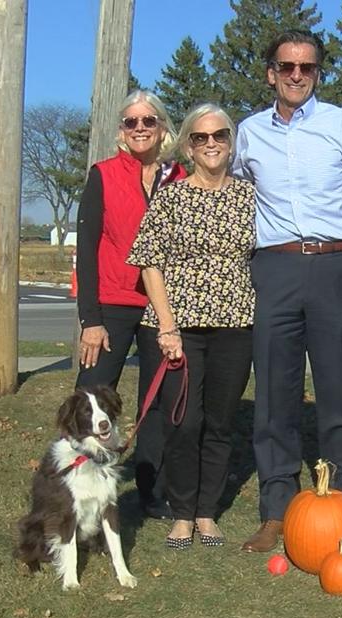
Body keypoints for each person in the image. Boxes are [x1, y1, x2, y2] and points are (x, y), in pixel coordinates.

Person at [232, 29, 342, 553]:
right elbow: (233, 188)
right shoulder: (248, 132)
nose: (297, 76)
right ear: (271, 73)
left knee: (338, 388)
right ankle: (277, 508)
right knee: (275, 396)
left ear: (318, 73)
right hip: (277, 268)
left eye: (307, 68)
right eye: (287, 67)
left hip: (336, 266)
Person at [127, 103, 256, 549]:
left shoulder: (250, 196)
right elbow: (150, 263)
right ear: (186, 145)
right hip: (178, 327)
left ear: (230, 141)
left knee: (220, 423)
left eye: (219, 135)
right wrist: (167, 327)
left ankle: (207, 512)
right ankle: (181, 513)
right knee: (183, 422)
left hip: (236, 324)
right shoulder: (172, 197)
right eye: (200, 138)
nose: (211, 144)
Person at [75, 90, 186, 520]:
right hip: (112, 303)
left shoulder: (178, 178)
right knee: (93, 396)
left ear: (162, 128)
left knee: (156, 403)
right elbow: (86, 250)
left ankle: (151, 492)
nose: (140, 128)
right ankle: (82, 487)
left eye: (148, 121)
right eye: (131, 122)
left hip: (161, 305)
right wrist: (91, 319)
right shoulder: (103, 175)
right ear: (121, 131)